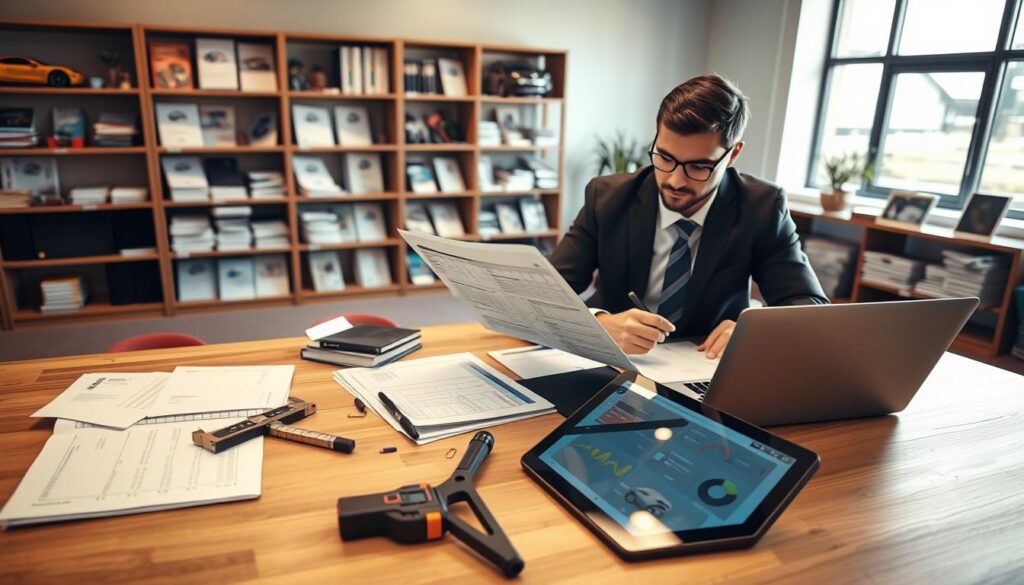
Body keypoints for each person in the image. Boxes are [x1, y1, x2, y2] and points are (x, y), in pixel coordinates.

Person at [550, 74, 828, 358]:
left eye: (698, 167)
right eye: (665, 157)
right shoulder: (607, 198)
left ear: (733, 155)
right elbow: (546, 294)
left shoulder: (762, 207)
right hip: (617, 358)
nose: (675, 180)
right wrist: (601, 324)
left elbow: (810, 306)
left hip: (706, 362)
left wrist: (755, 332)